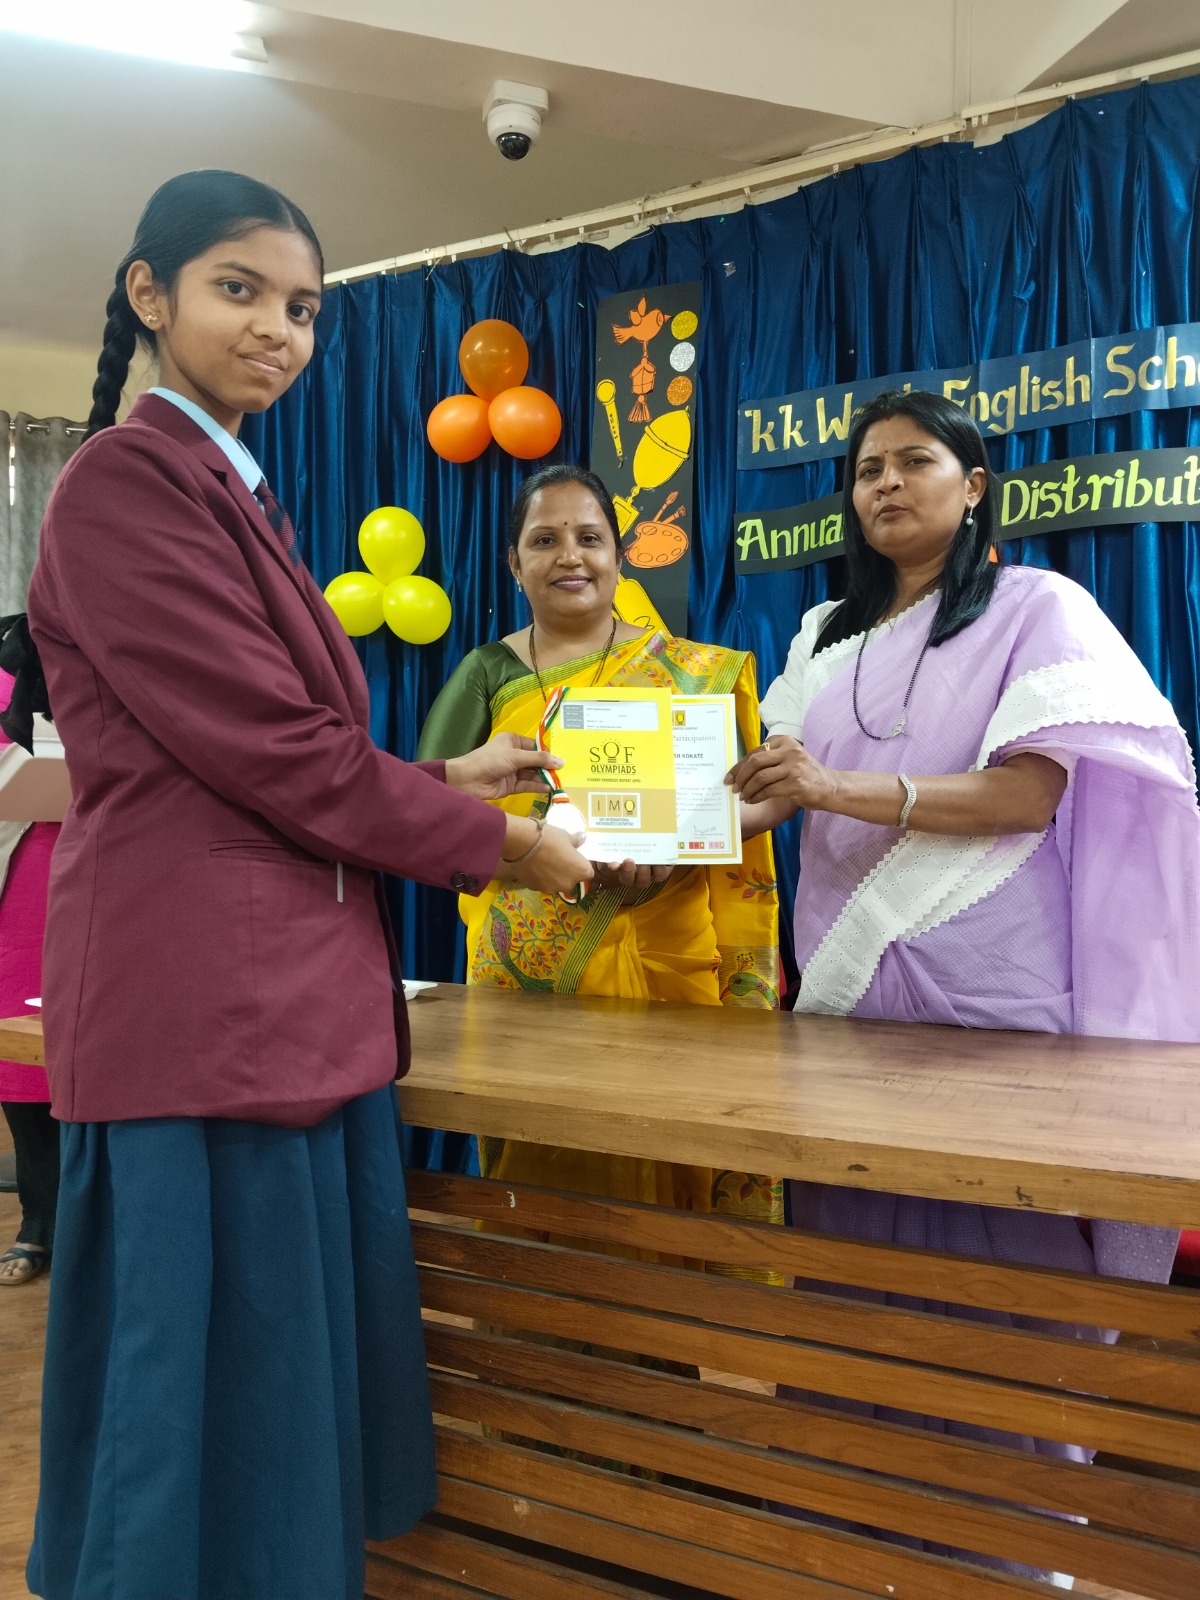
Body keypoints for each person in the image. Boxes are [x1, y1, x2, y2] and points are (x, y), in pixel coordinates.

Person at [23, 170, 591, 1600]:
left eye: (304, 307)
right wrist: (506, 847)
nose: (278, 329)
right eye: (241, 290)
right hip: (202, 1017)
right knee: (194, 1398)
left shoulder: (230, 487)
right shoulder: (126, 483)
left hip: (277, 1009)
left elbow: (260, 751)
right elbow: (272, 752)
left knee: (269, 1391)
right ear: (149, 295)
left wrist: (449, 780)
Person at [731, 388, 1200, 1582]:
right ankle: (857, 1548)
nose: (886, 483)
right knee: (854, 1284)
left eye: (915, 461)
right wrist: (626, 832)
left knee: (1009, 1296)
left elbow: (1030, 794)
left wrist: (837, 791)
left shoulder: (1041, 609)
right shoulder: (822, 636)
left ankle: (1011, 1555)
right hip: (848, 1015)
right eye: (867, 468)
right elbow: (762, 791)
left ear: (975, 483)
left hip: (995, 1016)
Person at [419, 463, 781, 1234]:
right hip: (525, 979)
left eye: (590, 538)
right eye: (544, 540)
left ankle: (671, 1318)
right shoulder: (488, 672)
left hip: (671, 950)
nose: (570, 556)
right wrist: (526, 851)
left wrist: (678, 850)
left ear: (619, 557)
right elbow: (423, 813)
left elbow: (765, 795)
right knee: (539, 1179)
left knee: (677, 1152)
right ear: (514, 563)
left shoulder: (694, 673)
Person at [0, 658, 59, 1287]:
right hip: (15, 882)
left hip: (99, 867)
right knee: (19, 1065)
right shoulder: (5, 681)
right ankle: (38, 1220)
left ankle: (100, 1224)